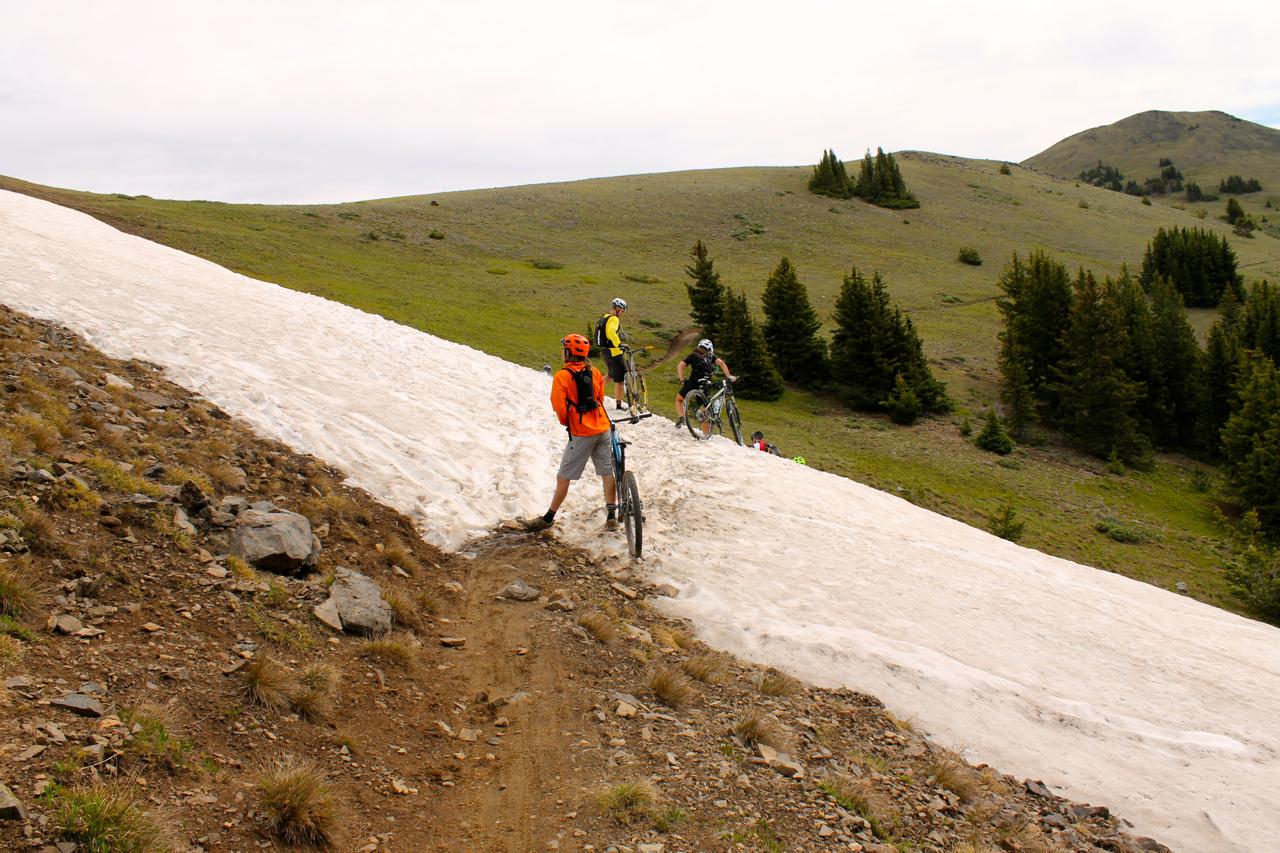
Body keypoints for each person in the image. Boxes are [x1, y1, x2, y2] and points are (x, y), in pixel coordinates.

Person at [523, 334, 619, 532]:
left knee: (563, 477)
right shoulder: (594, 371)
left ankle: (548, 518)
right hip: (602, 427)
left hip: (583, 432)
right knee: (607, 471)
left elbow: (559, 407)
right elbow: (600, 397)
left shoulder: (562, 376)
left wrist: (569, 422)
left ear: (568, 352)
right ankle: (611, 515)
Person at [674, 338, 735, 434]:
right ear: (710, 349)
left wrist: (682, 380)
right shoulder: (712, 356)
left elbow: (680, 366)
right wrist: (728, 376)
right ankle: (706, 434)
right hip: (705, 385)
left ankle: (682, 417)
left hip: (693, 382)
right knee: (705, 411)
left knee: (679, 399)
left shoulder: (693, 355)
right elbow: (722, 364)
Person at [598, 297, 629, 410]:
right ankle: (619, 405)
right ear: (617, 308)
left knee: (610, 375)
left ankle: (592, 390)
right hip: (614, 352)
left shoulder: (605, 317)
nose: (622, 313)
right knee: (620, 379)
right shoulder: (614, 319)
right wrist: (619, 344)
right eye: (622, 310)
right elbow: (611, 332)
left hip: (606, 351)